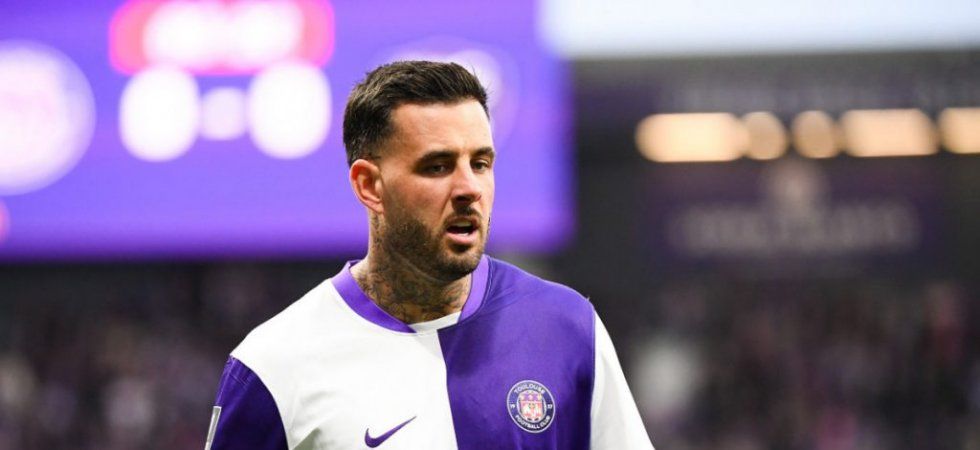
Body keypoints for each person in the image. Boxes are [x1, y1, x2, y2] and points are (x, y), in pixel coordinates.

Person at [205, 60, 654, 450]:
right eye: (437, 167)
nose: (469, 188)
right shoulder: (274, 365)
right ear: (369, 185)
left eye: (480, 163)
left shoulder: (567, 328)